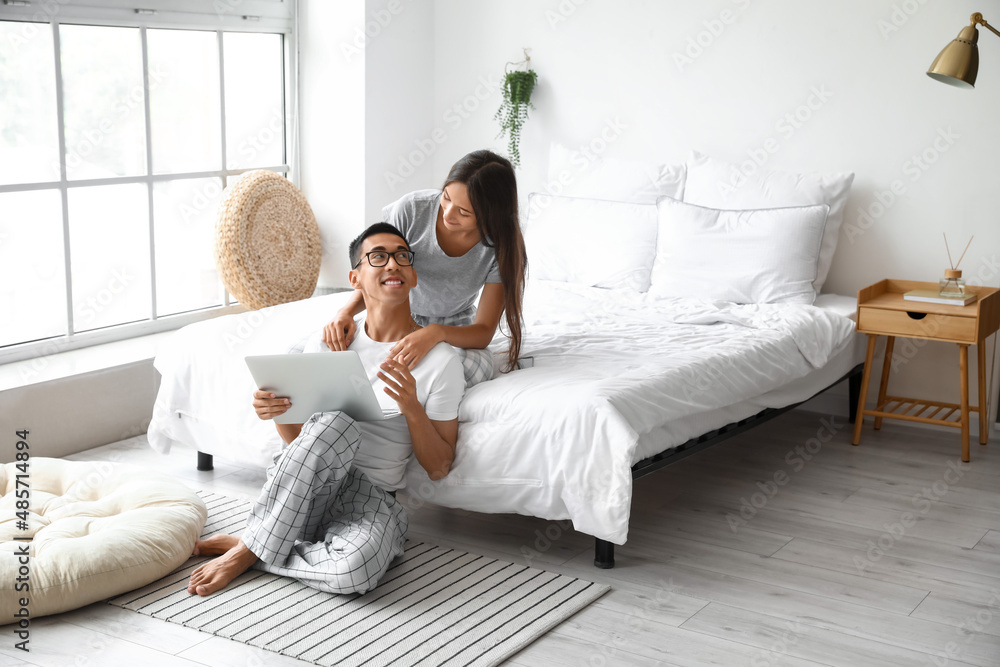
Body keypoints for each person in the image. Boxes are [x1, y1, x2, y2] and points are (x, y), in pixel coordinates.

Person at [187, 223, 465, 597]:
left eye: (402, 256)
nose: (393, 264)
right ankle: (250, 550)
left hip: (372, 497)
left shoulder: (441, 360)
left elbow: (439, 467)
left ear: (413, 274)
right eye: (378, 256)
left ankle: (250, 545)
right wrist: (280, 412)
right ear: (356, 278)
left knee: (355, 573)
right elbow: (302, 443)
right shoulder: (332, 339)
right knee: (336, 423)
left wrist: (412, 408)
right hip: (309, 484)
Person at [322, 149, 527, 379]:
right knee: (324, 350)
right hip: (393, 312)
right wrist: (345, 312)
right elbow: (377, 275)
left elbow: (483, 332)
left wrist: (434, 333)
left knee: (472, 368)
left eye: (463, 212)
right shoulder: (411, 210)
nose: (448, 213)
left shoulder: (501, 247)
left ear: (491, 217)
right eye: (446, 197)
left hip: (454, 325)